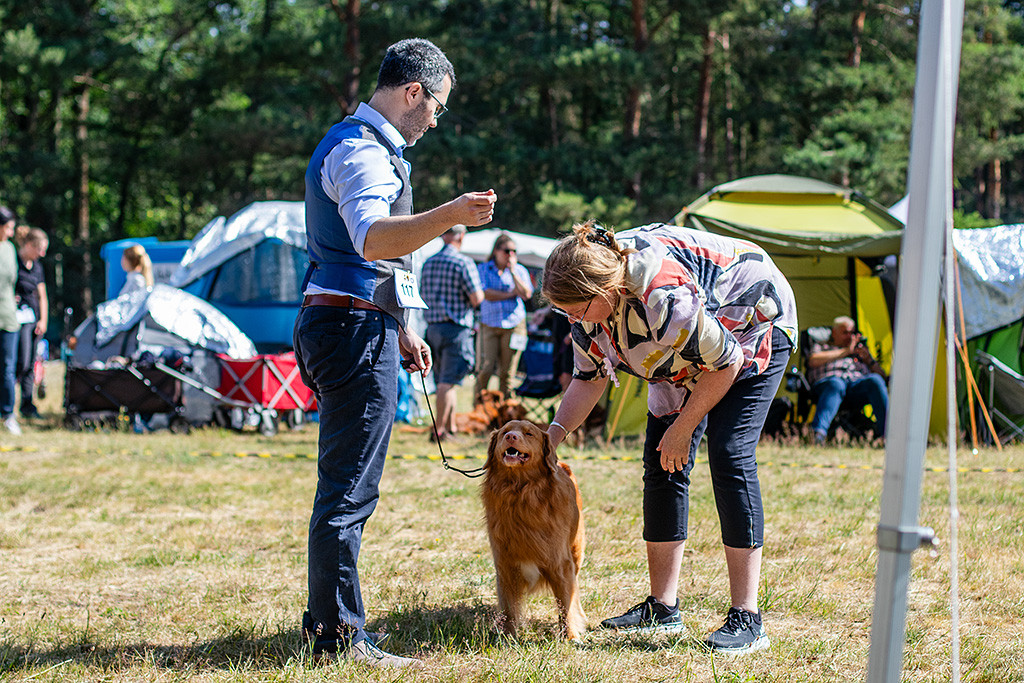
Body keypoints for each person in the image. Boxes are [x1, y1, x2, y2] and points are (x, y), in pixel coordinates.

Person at [293, 38, 496, 668]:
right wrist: (452, 213)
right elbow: (376, 240)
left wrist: (404, 324)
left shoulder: (359, 143)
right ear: (413, 92)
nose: (436, 119)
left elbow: (371, 257)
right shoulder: (362, 151)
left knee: (346, 485)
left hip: (352, 322)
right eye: (436, 104)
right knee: (350, 490)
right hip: (350, 331)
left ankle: (326, 624)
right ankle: (338, 638)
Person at [541, 220, 797, 655]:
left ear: (606, 292)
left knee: (730, 455)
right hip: (680, 354)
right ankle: (663, 608)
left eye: (577, 309)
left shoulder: (663, 296)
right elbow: (589, 379)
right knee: (662, 463)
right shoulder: (587, 311)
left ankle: (748, 618)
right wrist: (552, 437)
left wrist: (683, 427)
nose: (571, 319)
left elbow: (725, 364)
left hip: (750, 324)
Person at [420, 224, 484, 442]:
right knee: (447, 383)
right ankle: (439, 432)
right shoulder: (463, 262)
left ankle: (452, 428)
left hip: (432, 328)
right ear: (461, 236)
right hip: (455, 329)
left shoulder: (428, 262)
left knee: (445, 382)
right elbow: (477, 298)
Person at [806, 316, 888, 443]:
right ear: (834, 332)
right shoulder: (823, 346)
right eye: (845, 333)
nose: (849, 336)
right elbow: (812, 360)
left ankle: (889, 435)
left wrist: (869, 361)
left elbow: (883, 378)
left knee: (875, 380)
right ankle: (818, 434)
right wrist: (845, 351)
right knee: (836, 384)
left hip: (856, 386)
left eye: (852, 333)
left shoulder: (858, 352)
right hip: (829, 385)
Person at [474, 233, 533, 399]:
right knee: (485, 369)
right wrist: (510, 293)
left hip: (514, 326)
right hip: (489, 324)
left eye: (514, 251)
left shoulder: (520, 270)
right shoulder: (484, 269)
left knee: (507, 373)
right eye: (507, 251)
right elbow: (486, 294)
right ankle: (479, 410)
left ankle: (505, 414)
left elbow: (526, 294)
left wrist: (513, 272)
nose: (511, 255)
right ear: (496, 251)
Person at [14, 226, 48, 419]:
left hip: (33, 321)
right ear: (28, 245)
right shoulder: (14, 262)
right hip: (16, 321)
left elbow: (42, 296)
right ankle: (8, 404)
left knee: (30, 364)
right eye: (39, 249)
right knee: (20, 362)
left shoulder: (37, 267)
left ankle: (27, 405)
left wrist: (43, 320)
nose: (42, 254)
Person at [0, 206, 20, 434]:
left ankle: (7, 414)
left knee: (7, 368)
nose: (11, 232)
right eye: (8, 228)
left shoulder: (9, 249)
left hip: (8, 317)